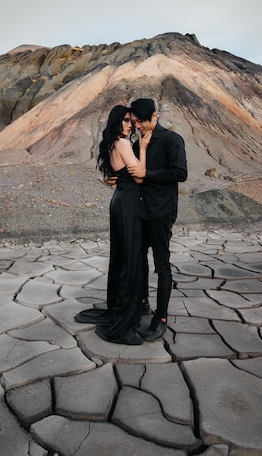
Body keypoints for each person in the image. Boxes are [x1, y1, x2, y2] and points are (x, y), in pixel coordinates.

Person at [74, 105, 151, 345]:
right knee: (130, 258)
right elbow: (139, 175)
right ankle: (124, 320)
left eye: (131, 121)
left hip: (120, 201)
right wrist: (145, 149)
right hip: (128, 203)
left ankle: (125, 306)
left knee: (122, 257)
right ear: (117, 122)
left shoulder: (111, 144)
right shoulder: (123, 143)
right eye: (126, 120)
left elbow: (114, 174)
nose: (130, 125)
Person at [127, 98, 187, 341]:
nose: (137, 125)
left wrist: (147, 174)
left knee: (162, 265)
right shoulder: (136, 142)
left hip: (161, 212)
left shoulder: (172, 140)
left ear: (154, 116)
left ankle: (161, 317)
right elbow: (132, 173)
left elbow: (180, 173)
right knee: (139, 260)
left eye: (140, 121)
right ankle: (142, 303)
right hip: (139, 212)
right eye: (134, 122)